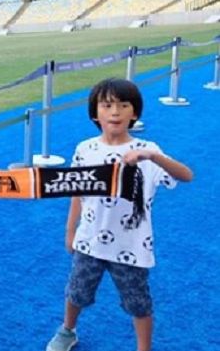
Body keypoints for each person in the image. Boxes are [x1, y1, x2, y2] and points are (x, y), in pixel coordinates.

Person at [45, 78, 193, 351]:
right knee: (76, 291)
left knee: (138, 302)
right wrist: (70, 229)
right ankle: (67, 330)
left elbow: (186, 175)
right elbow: (77, 192)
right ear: (95, 113)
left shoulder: (148, 150)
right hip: (89, 241)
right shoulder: (85, 149)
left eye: (124, 105)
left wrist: (152, 157)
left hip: (132, 245)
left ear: (134, 113)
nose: (115, 112)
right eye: (107, 105)